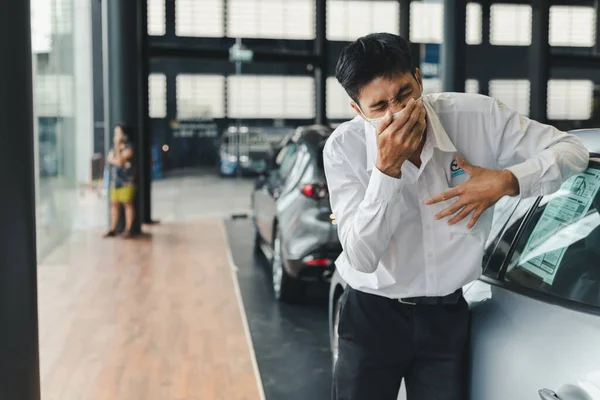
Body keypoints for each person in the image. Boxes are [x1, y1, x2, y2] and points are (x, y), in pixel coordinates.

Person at [324, 33, 589, 400]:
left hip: (446, 315)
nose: (396, 113)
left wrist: (507, 180)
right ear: (358, 111)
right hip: (372, 315)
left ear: (418, 79)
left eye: (404, 94)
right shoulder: (343, 149)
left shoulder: (477, 117)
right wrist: (386, 172)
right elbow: (361, 256)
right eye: (379, 106)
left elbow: (573, 148)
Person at [104, 124, 137, 239]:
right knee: (114, 203)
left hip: (127, 181)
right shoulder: (113, 148)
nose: (116, 136)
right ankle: (113, 228)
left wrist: (117, 148)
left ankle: (128, 229)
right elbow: (110, 159)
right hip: (115, 181)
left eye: (118, 133)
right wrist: (116, 154)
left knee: (127, 203)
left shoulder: (129, 147)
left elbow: (119, 161)